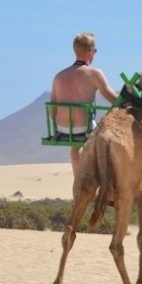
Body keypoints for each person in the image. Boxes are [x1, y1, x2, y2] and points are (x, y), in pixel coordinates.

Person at [50, 32, 119, 176]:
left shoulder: (59, 76)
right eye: (95, 50)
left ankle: (78, 179)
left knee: (75, 147)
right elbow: (113, 99)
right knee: (113, 143)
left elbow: (52, 109)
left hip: (63, 130)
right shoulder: (94, 74)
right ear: (89, 51)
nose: (95, 54)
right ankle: (110, 187)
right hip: (84, 129)